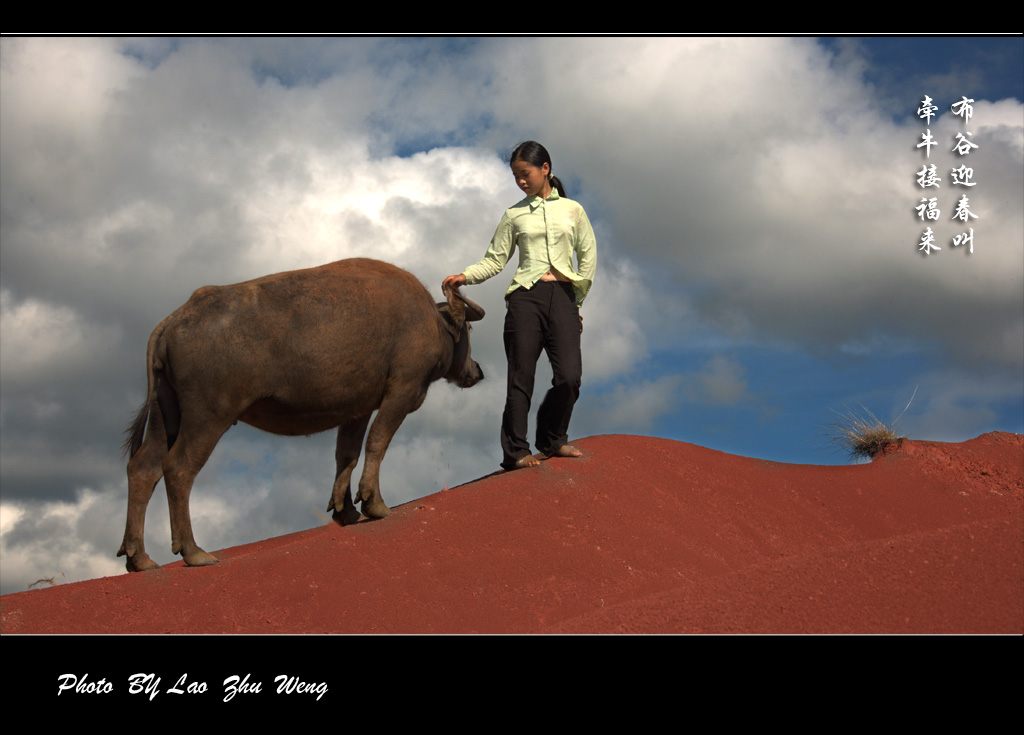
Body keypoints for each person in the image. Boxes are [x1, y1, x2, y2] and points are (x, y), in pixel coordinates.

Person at [442, 141, 596, 470]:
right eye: (515, 176)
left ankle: (553, 440)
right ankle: (515, 452)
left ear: (545, 169)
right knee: (520, 377)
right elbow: (495, 260)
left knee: (570, 377)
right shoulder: (513, 215)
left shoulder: (573, 211)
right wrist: (465, 276)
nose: (521, 181)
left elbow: (588, 259)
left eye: (525, 174)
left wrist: (576, 301)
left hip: (565, 298)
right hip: (525, 298)